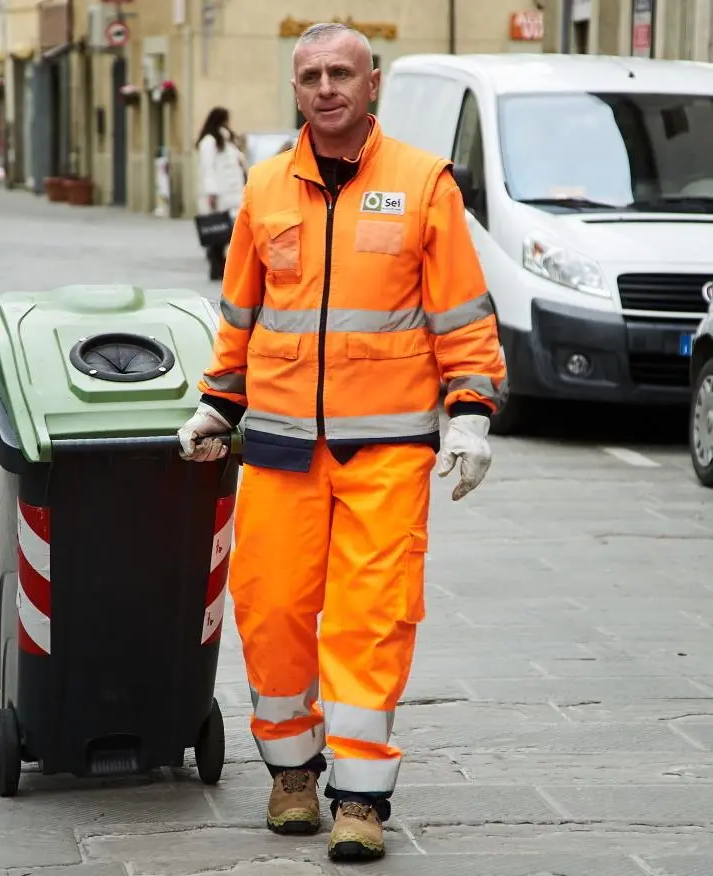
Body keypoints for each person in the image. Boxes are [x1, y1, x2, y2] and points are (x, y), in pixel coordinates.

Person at [177, 22, 505, 863]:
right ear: (296, 89)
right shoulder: (263, 190)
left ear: (374, 85)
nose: (327, 88)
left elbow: (462, 313)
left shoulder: (425, 185)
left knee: (371, 616)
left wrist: (470, 408)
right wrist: (218, 403)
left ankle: (360, 798)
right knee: (274, 608)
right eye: (311, 75)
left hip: (388, 446)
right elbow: (241, 315)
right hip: (282, 444)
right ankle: (292, 775)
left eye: (341, 74)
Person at [196, 107, 246, 280]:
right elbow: (207, 168)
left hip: (233, 193)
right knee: (217, 231)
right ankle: (216, 265)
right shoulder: (209, 142)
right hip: (218, 195)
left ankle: (223, 264)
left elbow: (237, 158)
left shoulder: (227, 138)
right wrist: (211, 192)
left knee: (229, 232)